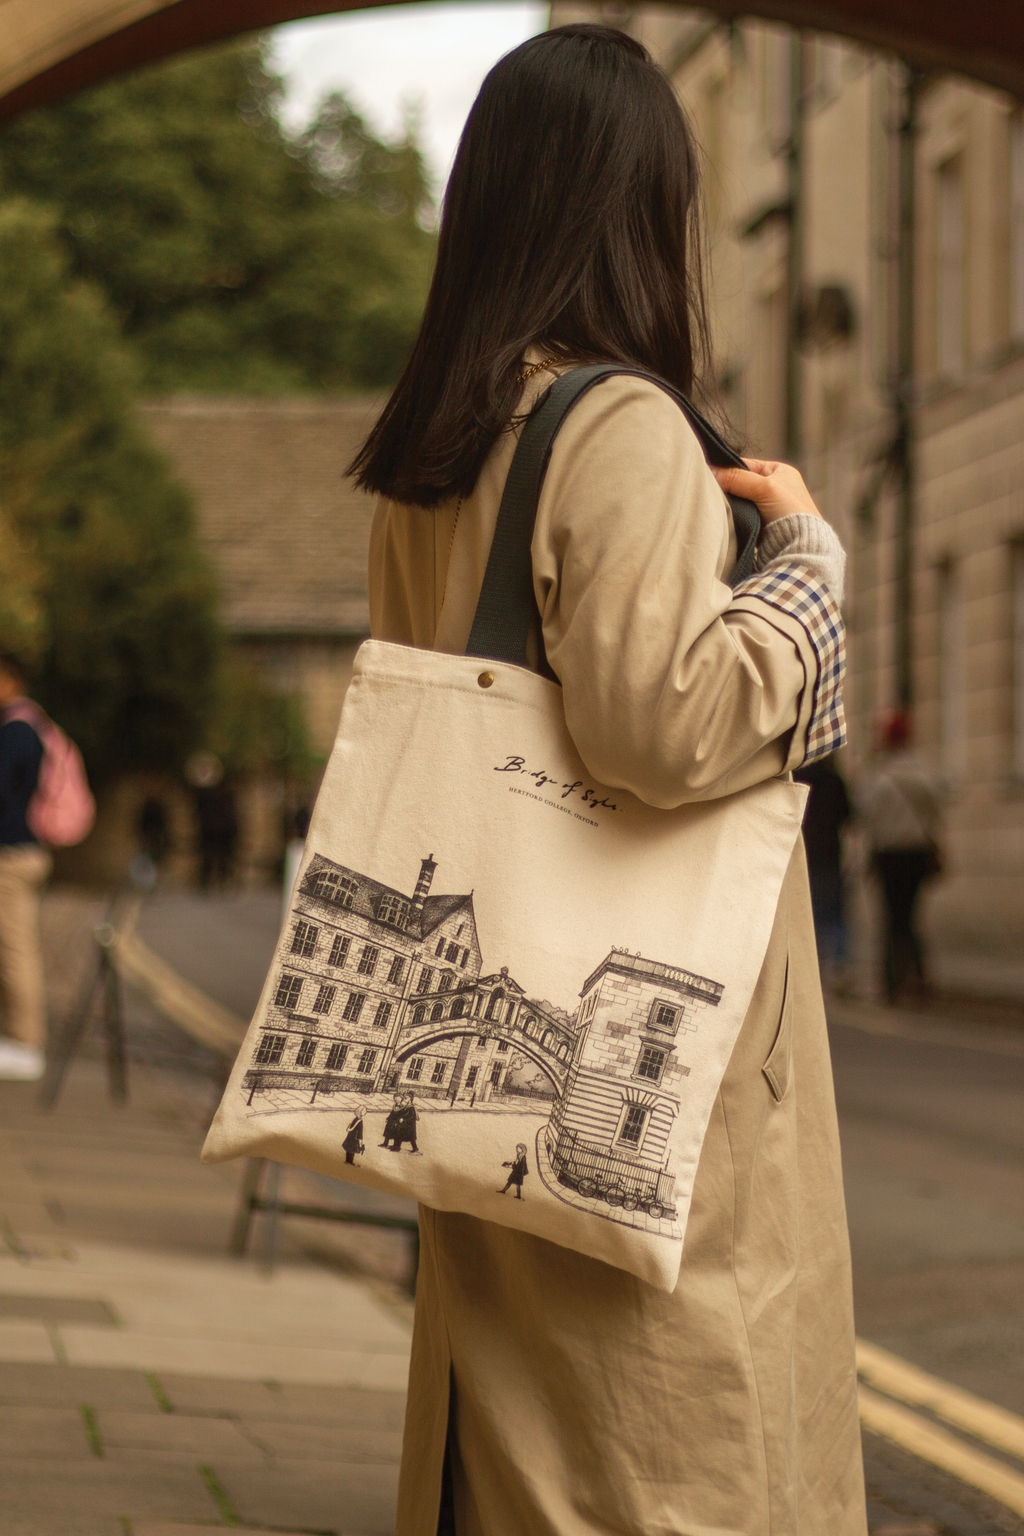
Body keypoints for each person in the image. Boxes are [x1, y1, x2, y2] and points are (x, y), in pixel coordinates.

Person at [355, 26, 864, 1535]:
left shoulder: (434, 458)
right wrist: (807, 578)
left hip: (480, 1029)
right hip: (641, 1054)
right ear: (644, 206)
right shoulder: (623, 426)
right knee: (663, 1452)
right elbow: (659, 729)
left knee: (516, 1454)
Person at [859, 711, 942, 1004]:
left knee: (890, 919)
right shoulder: (923, 774)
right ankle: (919, 979)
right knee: (911, 917)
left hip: (888, 855)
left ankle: (891, 984)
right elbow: (935, 812)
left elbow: (867, 816)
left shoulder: (879, 778)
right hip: (917, 854)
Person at [0, 652, 51, 1081]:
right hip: (22, 850)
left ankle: (26, 1042)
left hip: (11, 854)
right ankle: (17, 1039)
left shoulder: (16, 729)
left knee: (15, 949)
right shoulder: (27, 725)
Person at [794, 753, 853, 989]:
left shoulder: (798, 778)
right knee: (836, 915)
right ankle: (838, 967)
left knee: (807, 916)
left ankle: (810, 969)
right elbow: (848, 817)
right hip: (831, 857)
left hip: (802, 857)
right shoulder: (835, 780)